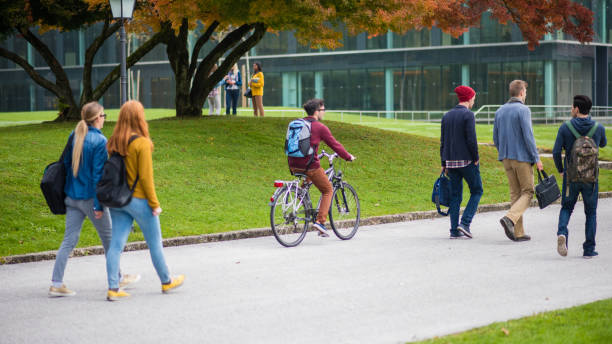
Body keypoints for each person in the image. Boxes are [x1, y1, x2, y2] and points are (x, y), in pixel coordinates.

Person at [49, 102, 139, 297]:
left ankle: (56, 283)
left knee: (68, 241)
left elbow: (65, 164)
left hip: (71, 197)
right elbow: (98, 176)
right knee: (109, 241)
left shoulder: (75, 135)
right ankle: (117, 278)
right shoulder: (99, 141)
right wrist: (99, 205)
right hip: (90, 199)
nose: (104, 118)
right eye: (103, 115)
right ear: (97, 118)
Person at [105, 100, 184, 301]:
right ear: (140, 117)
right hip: (139, 200)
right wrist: (155, 204)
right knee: (155, 243)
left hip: (119, 201)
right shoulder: (142, 143)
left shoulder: (114, 141)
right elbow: (147, 178)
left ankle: (113, 287)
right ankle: (166, 281)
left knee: (116, 245)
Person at [288, 98, 355, 237]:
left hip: (294, 164)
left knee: (309, 182)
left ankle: (299, 205)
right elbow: (335, 145)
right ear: (317, 111)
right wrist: (348, 157)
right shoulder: (319, 127)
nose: (324, 113)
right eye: (323, 110)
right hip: (309, 166)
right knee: (328, 189)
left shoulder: (299, 124)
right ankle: (320, 222)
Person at [553, 95, 607, 258]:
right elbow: (603, 143)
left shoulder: (565, 127)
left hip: (571, 177)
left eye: (572, 106)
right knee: (591, 212)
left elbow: (556, 152)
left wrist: (561, 169)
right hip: (591, 178)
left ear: (576, 109)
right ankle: (589, 249)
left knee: (567, 208)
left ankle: (562, 232)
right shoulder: (598, 127)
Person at [493, 80, 543, 242]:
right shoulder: (523, 110)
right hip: (521, 158)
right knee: (528, 192)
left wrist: (503, 153)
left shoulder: (499, 111)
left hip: (506, 158)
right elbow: (528, 137)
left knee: (515, 194)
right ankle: (510, 218)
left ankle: (518, 232)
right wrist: (536, 158)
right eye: (525, 92)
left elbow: (495, 137)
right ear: (521, 93)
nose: (526, 95)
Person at [440, 86, 483, 239]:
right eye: (473, 97)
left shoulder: (446, 116)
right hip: (466, 161)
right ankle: (465, 223)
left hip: (451, 163)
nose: (474, 100)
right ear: (469, 98)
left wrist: (443, 162)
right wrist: (476, 157)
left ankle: (454, 230)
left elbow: (443, 142)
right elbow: (471, 139)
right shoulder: (468, 115)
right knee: (477, 190)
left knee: (455, 196)